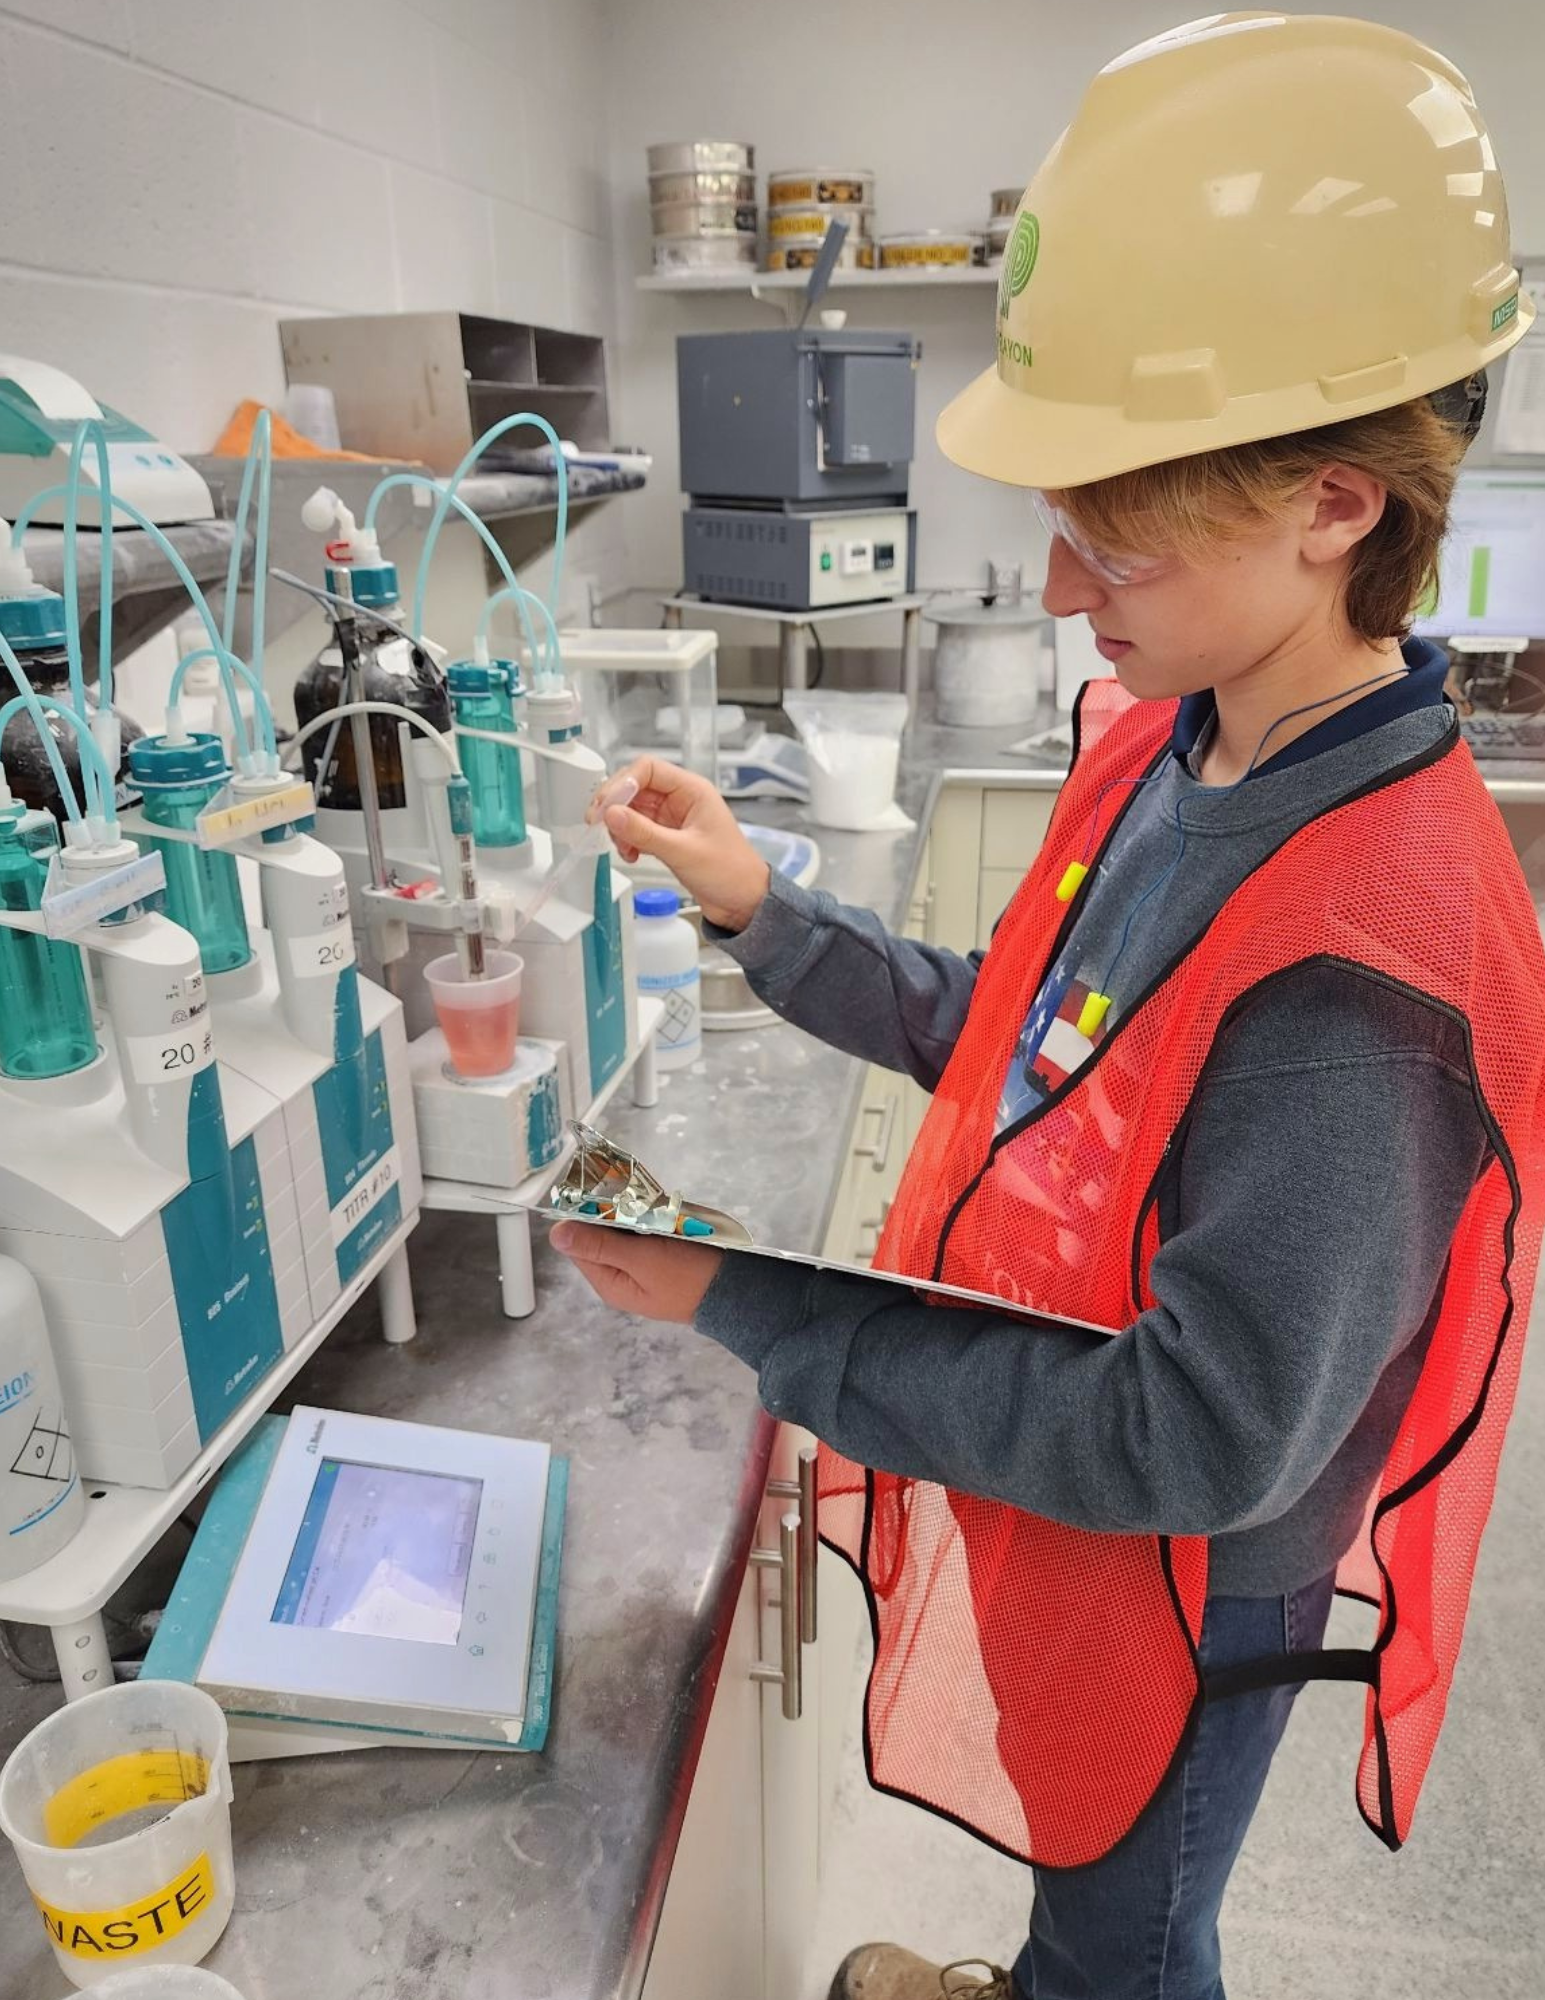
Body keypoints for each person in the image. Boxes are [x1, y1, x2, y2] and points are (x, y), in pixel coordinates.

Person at [554, 16, 1545, 1999]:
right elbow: (1036, 1039)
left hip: (1187, 1566)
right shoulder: (1191, 738)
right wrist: (759, 905)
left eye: (1118, 532)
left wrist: (753, 1309)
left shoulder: (1367, 965)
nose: (1063, 581)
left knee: (1137, 1921)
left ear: (1333, 505)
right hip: (1074, 1481)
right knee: (1079, 1856)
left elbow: (1196, 1436)